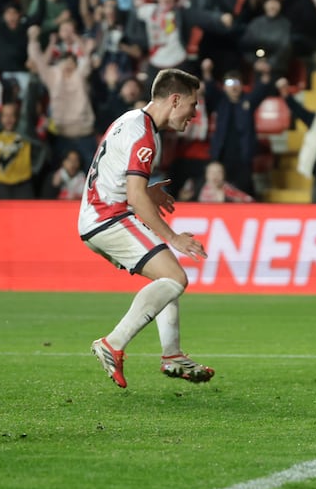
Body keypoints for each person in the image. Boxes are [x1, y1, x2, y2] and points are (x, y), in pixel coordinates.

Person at [81, 68, 215, 388]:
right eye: (193, 105)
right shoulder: (144, 134)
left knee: (165, 277)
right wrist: (173, 237)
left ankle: (172, 355)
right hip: (108, 217)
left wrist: (148, 192)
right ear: (175, 99)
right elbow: (135, 196)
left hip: (96, 215)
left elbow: (121, 178)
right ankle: (113, 343)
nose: (194, 113)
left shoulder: (132, 120)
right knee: (175, 277)